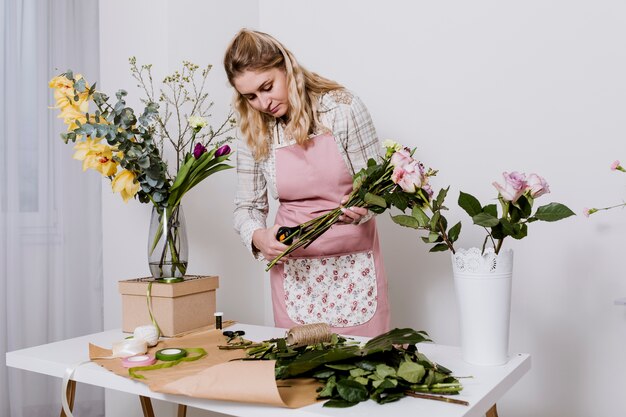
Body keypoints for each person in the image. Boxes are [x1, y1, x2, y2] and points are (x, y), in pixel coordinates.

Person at [224, 29, 389, 337]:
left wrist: (363, 207)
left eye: (267, 87)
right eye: (251, 96)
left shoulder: (343, 109)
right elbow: (246, 207)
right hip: (296, 276)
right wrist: (258, 237)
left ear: (286, 66)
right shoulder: (252, 129)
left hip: (356, 271)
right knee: (301, 378)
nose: (262, 103)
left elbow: (379, 186)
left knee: (364, 370)